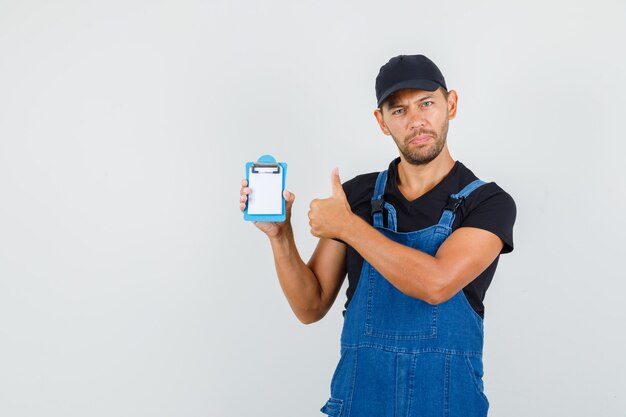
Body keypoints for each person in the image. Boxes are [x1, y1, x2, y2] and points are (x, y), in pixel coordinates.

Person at [239, 54, 516, 417]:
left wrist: (349, 227)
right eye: (398, 110)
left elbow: (436, 283)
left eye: (427, 103)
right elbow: (310, 306)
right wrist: (280, 236)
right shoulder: (356, 197)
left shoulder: (488, 203)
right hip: (358, 405)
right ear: (381, 122)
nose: (415, 121)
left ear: (451, 104)